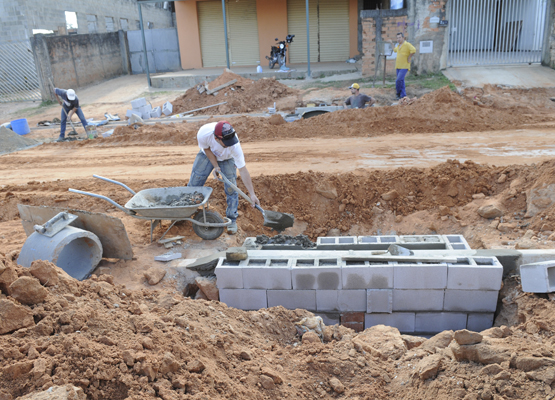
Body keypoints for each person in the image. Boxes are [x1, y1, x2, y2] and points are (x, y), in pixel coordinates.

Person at [188, 121, 260, 234]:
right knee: (194, 184)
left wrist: (252, 194)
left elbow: (243, 170)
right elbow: (206, 149)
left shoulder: (234, 146)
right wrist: (216, 167)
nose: (230, 145)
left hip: (227, 159)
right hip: (206, 155)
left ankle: (231, 220)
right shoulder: (204, 133)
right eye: (227, 143)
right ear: (217, 139)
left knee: (231, 189)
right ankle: (185, 212)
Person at [392, 32, 416, 99]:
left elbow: (413, 50)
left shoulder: (407, 44)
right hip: (398, 66)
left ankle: (398, 93)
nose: (398, 39)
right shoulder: (398, 46)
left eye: (399, 37)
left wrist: (409, 57)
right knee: (401, 81)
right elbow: (394, 50)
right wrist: (391, 43)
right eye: (397, 38)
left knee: (398, 80)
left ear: (403, 38)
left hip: (404, 66)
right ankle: (403, 95)